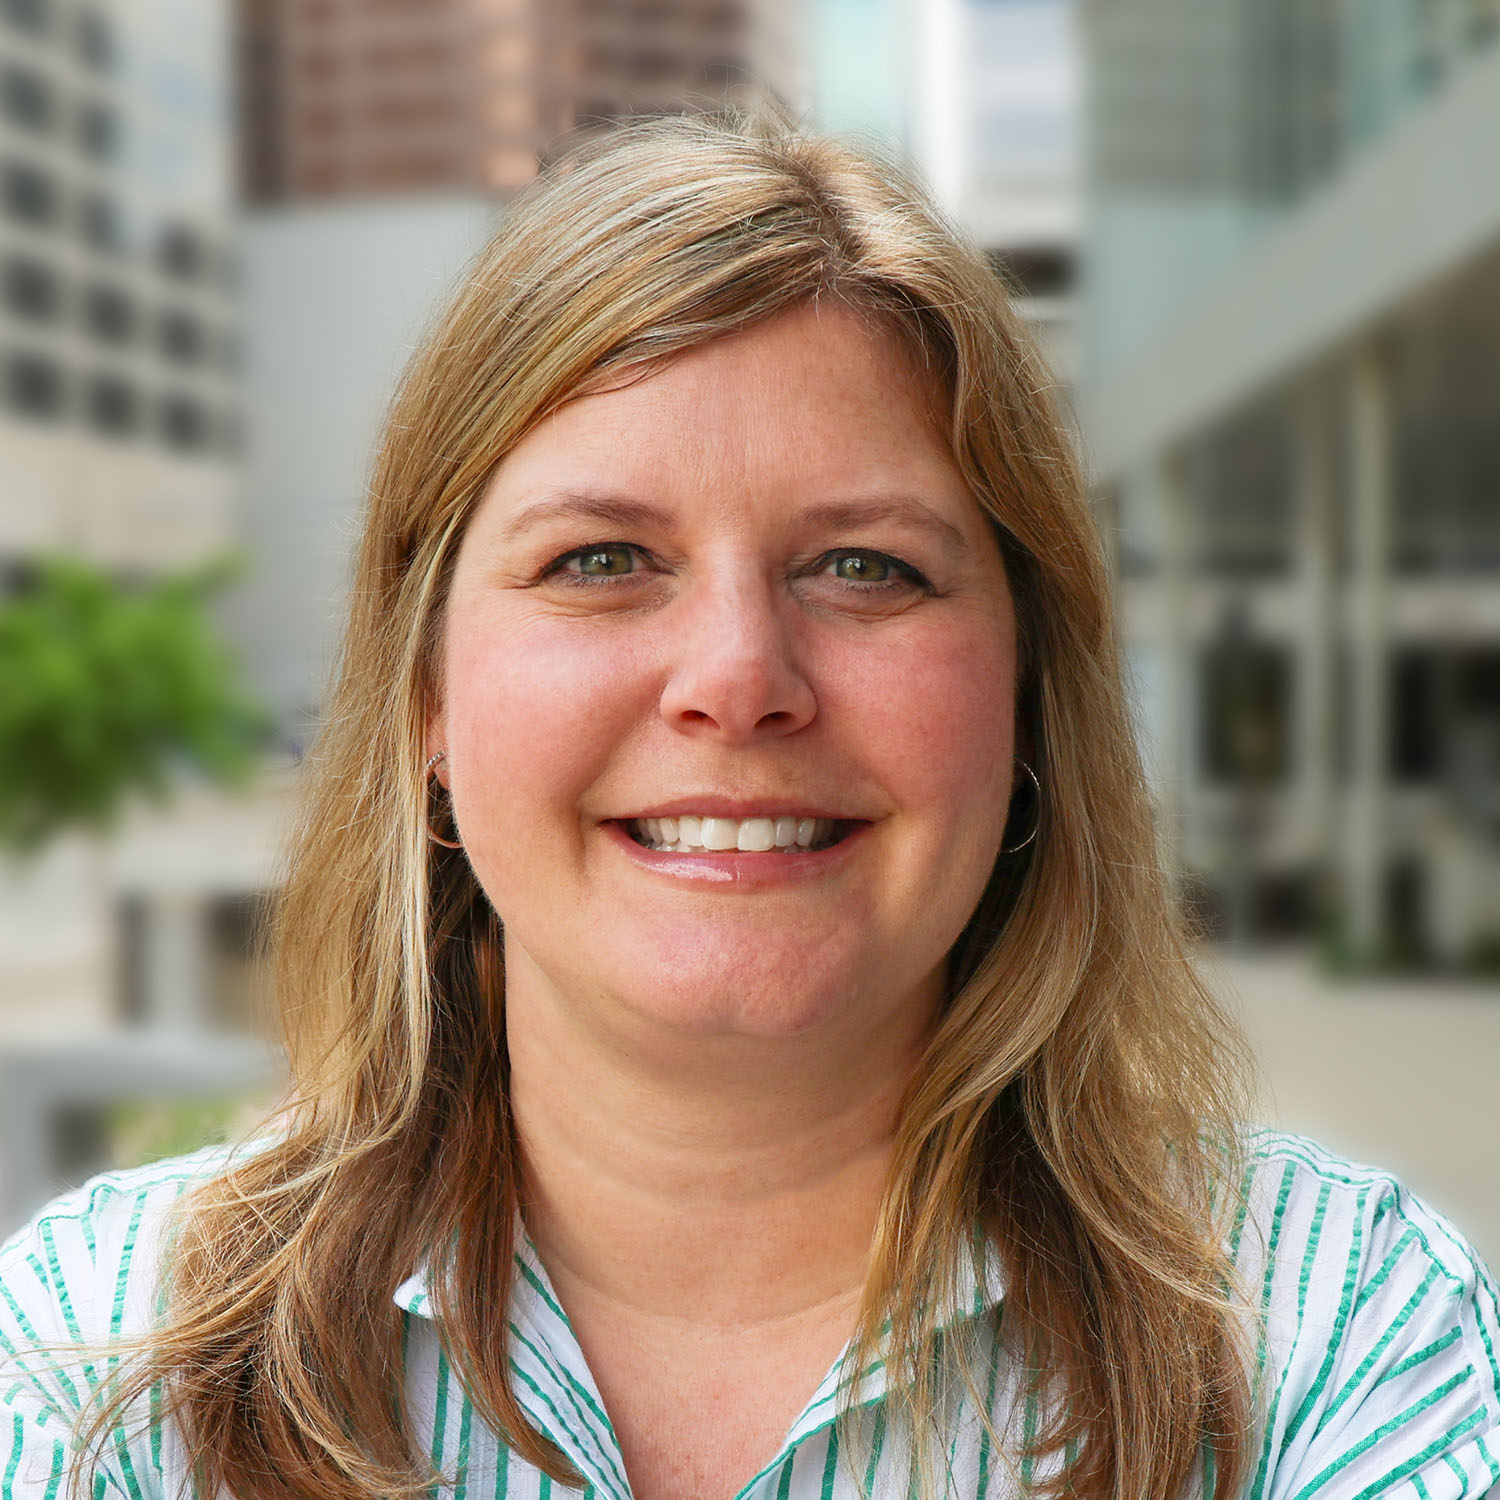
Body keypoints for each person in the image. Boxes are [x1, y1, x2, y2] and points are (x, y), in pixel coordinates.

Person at [1, 113, 1497, 1500]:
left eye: (866, 567)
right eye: (600, 561)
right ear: (427, 697)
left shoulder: (1338, 1336)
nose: (737, 680)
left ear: (1028, 692)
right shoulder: (98, 1362)